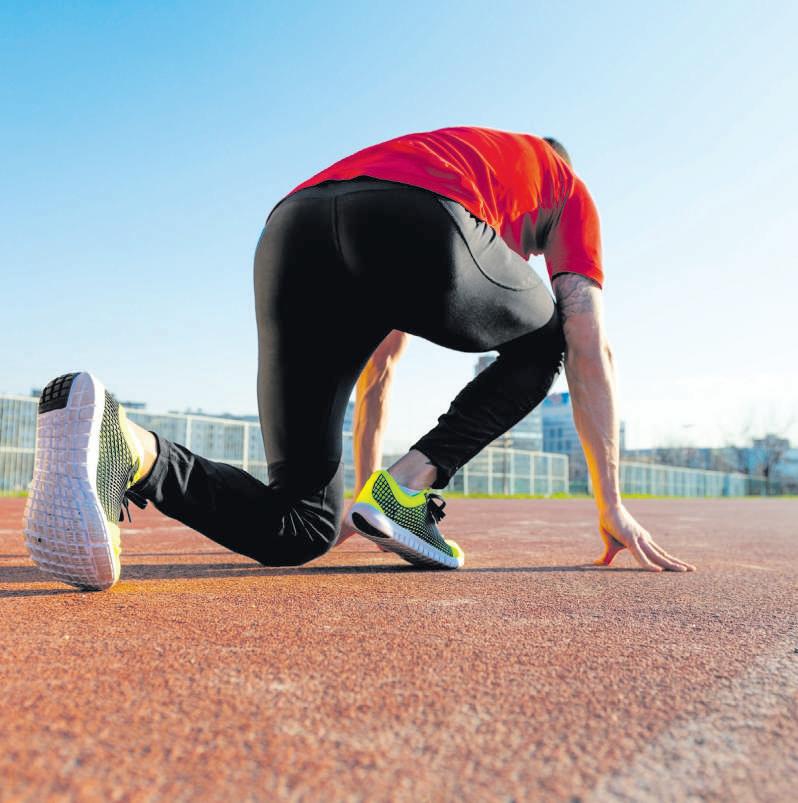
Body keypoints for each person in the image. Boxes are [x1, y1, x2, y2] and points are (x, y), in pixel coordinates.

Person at [22, 126, 694, 591]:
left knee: (301, 526)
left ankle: (130, 447)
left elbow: (382, 370)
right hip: (418, 220)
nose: (530, 260)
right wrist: (612, 503)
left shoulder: (460, 159)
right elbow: (589, 342)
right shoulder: (563, 183)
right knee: (549, 335)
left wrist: (371, 501)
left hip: (290, 232)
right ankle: (405, 491)